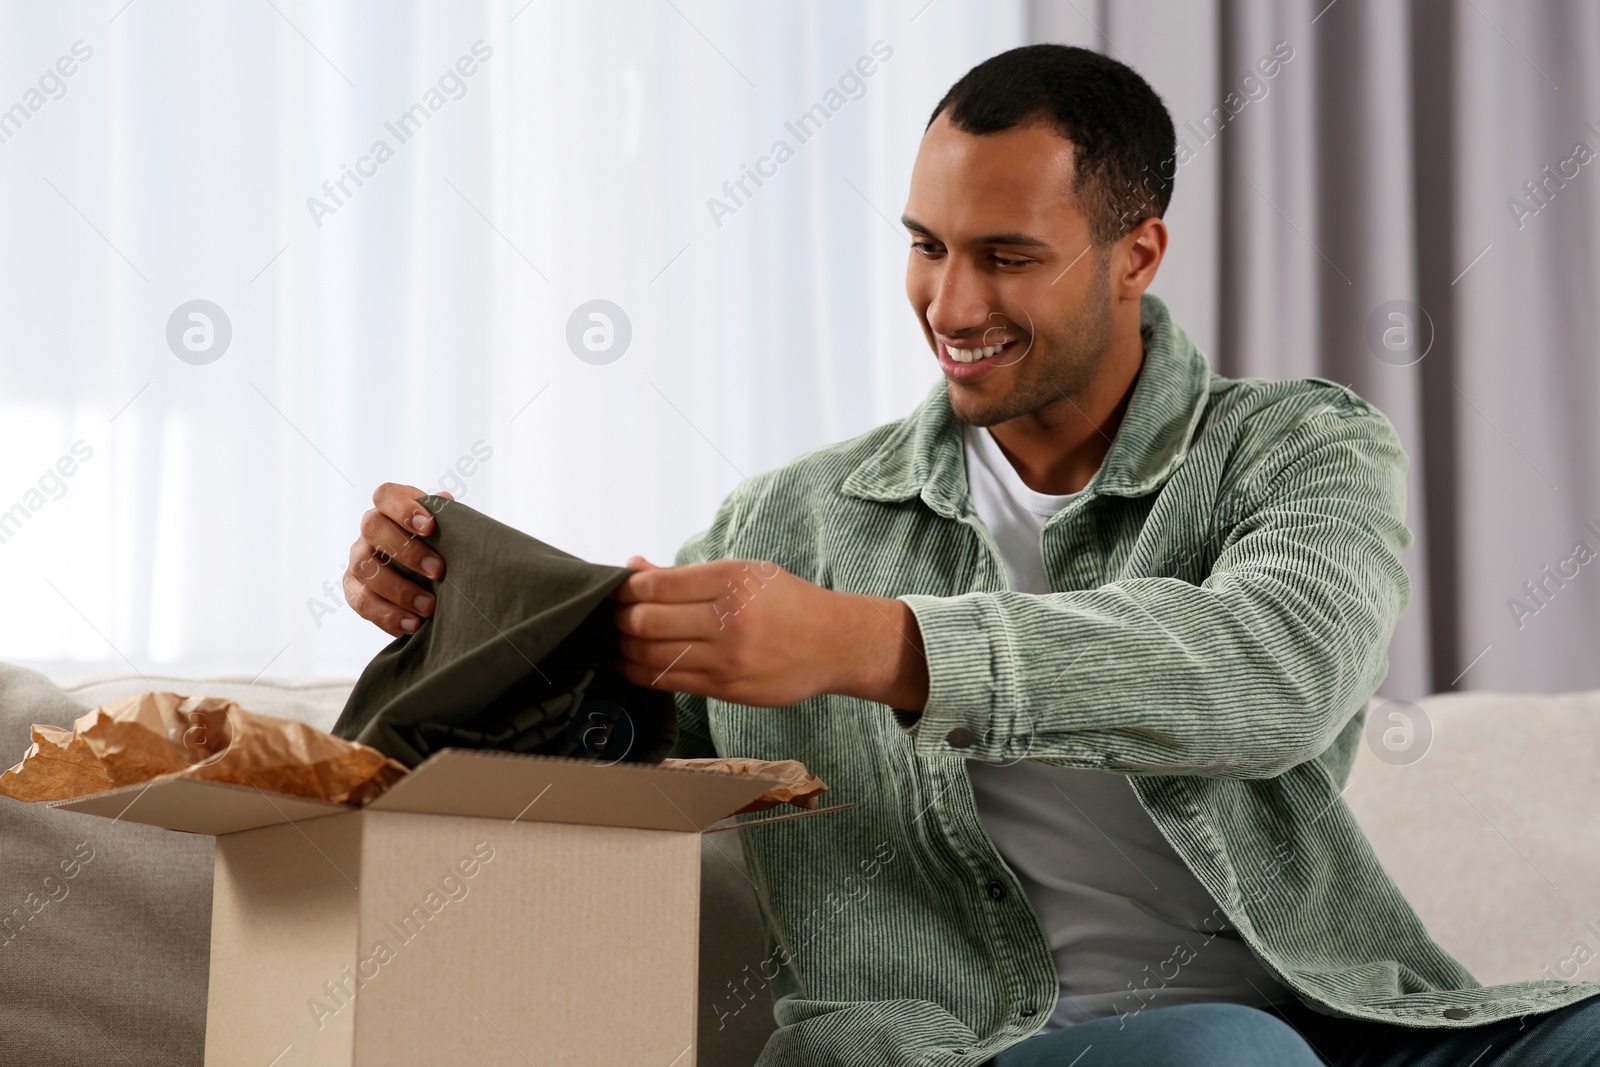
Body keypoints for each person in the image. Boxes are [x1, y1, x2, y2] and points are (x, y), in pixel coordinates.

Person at [342, 43, 1600, 1067]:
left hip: (1338, 1017)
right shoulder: (790, 524)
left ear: (1136, 256)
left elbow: (1276, 674)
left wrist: (873, 644)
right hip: (968, 1045)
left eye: (1006, 256)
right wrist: (457, 612)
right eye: (926, 244)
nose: (950, 304)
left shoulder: (1296, 448)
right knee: (1225, 1054)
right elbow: (613, 755)